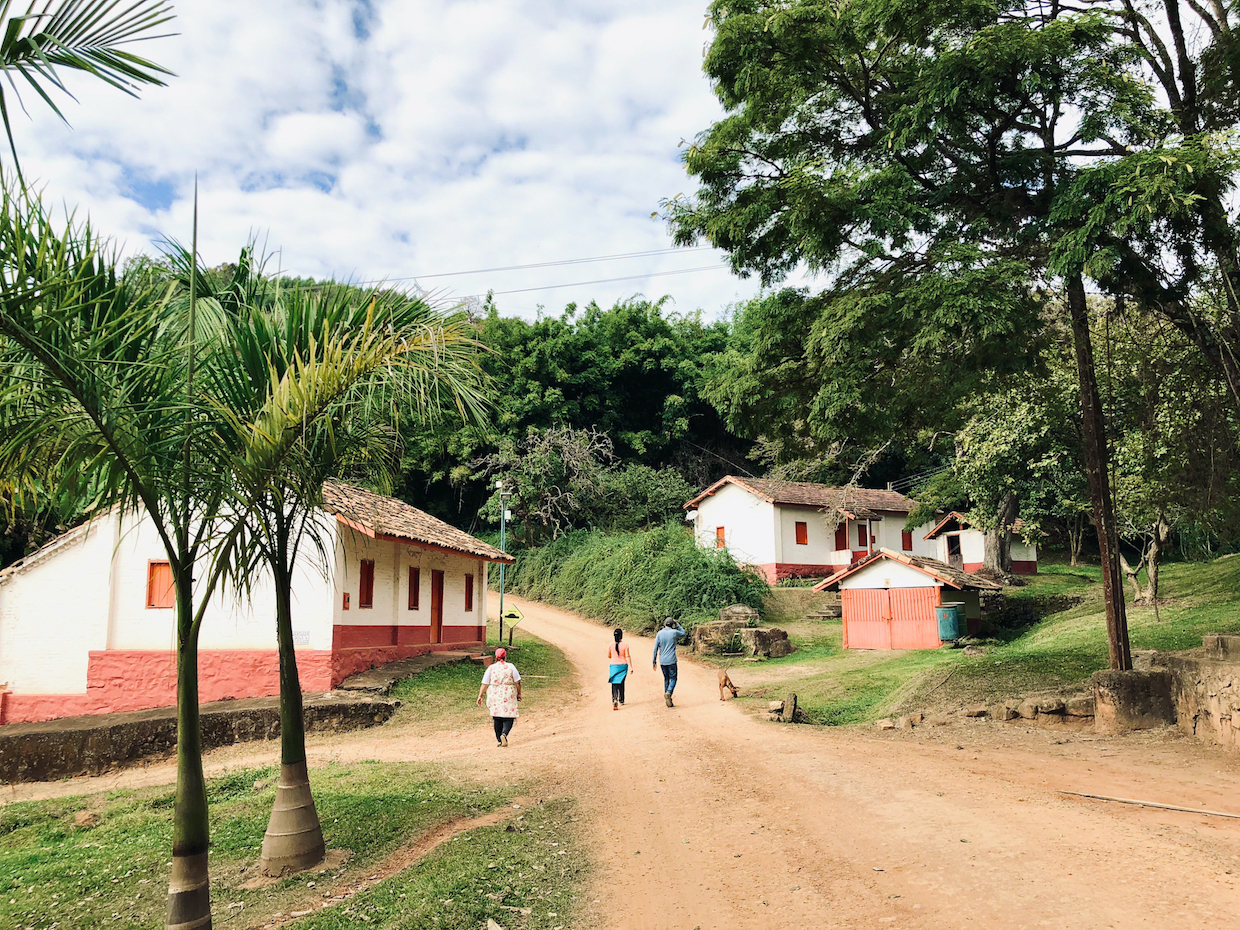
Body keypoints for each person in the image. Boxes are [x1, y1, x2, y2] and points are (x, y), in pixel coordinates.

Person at [477, 647, 522, 746]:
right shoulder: (510, 666)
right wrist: (519, 693)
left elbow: (484, 683)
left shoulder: (491, 668)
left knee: (497, 716)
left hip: (494, 692)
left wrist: (480, 695)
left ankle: (499, 740)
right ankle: (504, 734)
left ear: (495, 657)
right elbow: (517, 681)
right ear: (505, 656)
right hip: (508, 692)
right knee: (509, 715)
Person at [652, 617, 686, 707]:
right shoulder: (674, 632)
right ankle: (669, 692)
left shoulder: (659, 633)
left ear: (664, 624)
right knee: (674, 678)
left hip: (663, 661)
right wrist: (677, 624)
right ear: (672, 625)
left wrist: (654, 661)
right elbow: (683, 633)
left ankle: (668, 698)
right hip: (672, 660)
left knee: (666, 679)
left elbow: (655, 648)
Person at [608, 628, 632, 710]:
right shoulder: (625, 645)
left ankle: (614, 699)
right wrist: (631, 667)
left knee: (614, 683)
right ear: (621, 636)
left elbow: (609, 656)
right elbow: (627, 656)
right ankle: (621, 699)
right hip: (623, 665)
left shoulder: (611, 645)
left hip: (614, 665)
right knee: (621, 682)